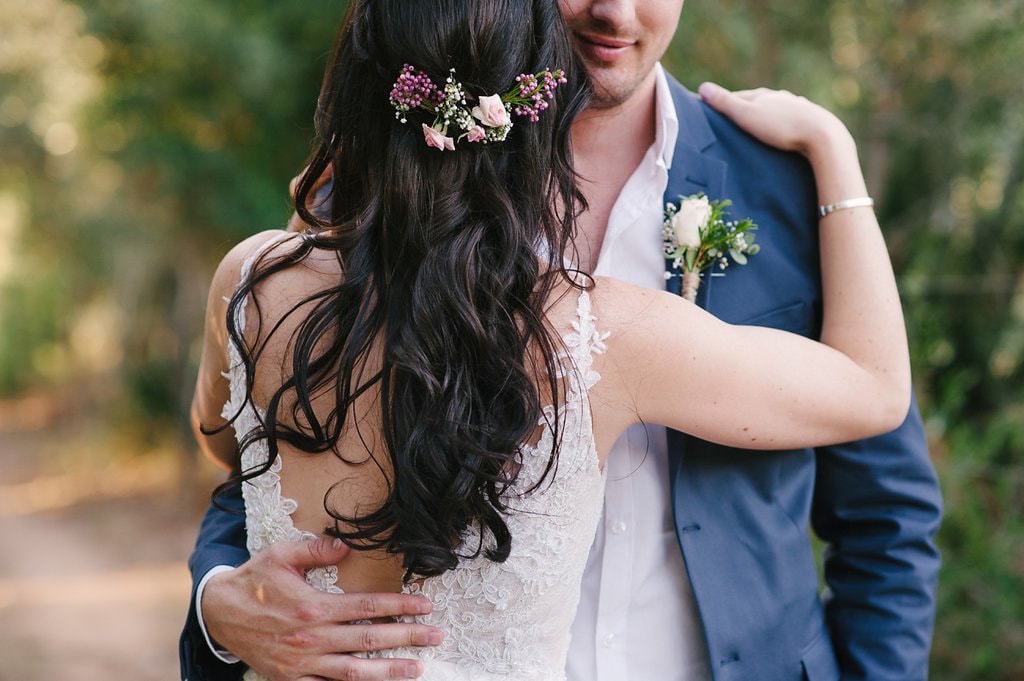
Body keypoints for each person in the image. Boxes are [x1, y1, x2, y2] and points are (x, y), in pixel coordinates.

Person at [180, 1, 943, 681]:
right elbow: (263, 465)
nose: (615, 9)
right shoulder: (364, 211)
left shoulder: (786, 185)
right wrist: (221, 604)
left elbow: (888, 508)